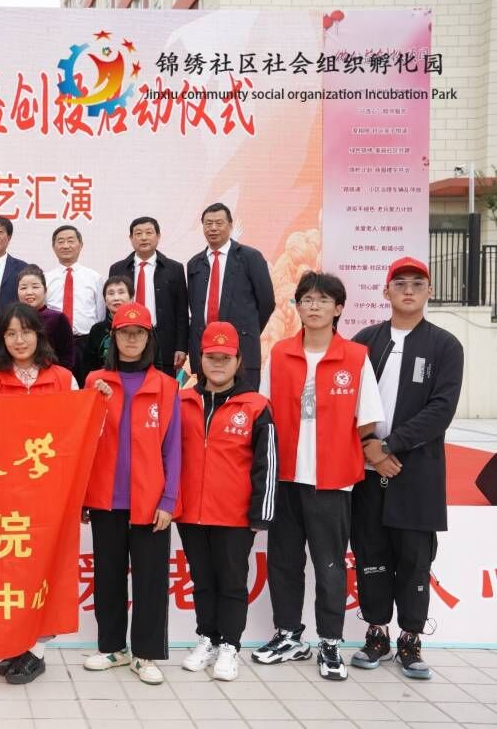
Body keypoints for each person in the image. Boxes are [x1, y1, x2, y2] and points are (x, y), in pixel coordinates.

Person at [251, 271, 383, 682]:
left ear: (338, 308)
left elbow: (368, 420)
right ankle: (289, 634)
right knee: (284, 561)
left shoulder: (355, 357)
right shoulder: (281, 354)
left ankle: (329, 641)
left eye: (323, 300)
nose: (313, 306)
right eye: (306, 299)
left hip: (333, 480)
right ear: (297, 306)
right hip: (286, 477)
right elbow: (265, 413)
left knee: (329, 565)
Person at [349, 257, 464, 680]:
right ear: (386, 291)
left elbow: (441, 410)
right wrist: (370, 449)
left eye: (417, 283)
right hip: (366, 468)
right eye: (400, 283)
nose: (409, 290)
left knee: (415, 558)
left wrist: (389, 446)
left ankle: (410, 639)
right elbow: (346, 402)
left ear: (429, 291)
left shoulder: (445, 345)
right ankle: (376, 634)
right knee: (370, 551)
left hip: (417, 471)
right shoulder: (365, 341)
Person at [82, 302, 181, 686]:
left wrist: (169, 500)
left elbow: (173, 449)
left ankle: (145, 653)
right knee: (107, 577)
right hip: (105, 498)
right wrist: (83, 497)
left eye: (139, 333)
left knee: (151, 580)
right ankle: (112, 647)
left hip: (150, 501)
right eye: (125, 333)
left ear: (148, 338)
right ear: (114, 338)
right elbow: (83, 442)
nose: (132, 339)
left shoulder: (166, 386)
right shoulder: (95, 381)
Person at [0, 303, 77, 685]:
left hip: (52, 493)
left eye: (26, 332)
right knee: (12, 569)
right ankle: (17, 642)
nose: (19, 340)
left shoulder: (64, 379)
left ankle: (37, 650)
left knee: (45, 570)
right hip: (6, 493)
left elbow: (84, 430)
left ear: (39, 334)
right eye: (10, 333)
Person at [177, 322, 276, 681]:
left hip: (235, 514)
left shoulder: (256, 406)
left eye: (225, 357)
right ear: (199, 360)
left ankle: (230, 646)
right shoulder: (182, 401)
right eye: (211, 357)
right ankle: (208, 638)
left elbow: (267, 463)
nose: (218, 363)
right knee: (202, 580)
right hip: (191, 512)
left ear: (238, 361)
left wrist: (261, 513)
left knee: (232, 582)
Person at [186, 203, 275, 390]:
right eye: (208, 223)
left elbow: (267, 302)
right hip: (206, 351)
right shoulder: (195, 263)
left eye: (219, 223)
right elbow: (195, 307)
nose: (213, 228)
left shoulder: (250, 257)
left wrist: (248, 330)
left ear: (231, 225)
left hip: (241, 348)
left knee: (243, 402)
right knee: (208, 403)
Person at [109, 217, 189, 378]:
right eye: (138, 233)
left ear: (158, 236)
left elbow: (181, 311)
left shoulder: (174, 268)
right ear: (131, 238)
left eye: (149, 232)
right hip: (129, 339)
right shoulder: (118, 268)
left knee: (163, 386)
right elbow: (111, 308)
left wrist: (181, 347)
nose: (144, 238)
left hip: (164, 341)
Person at [45, 225, 104, 383]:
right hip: (55, 343)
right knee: (58, 385)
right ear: (53, 247)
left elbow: (100, 314)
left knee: (86, 385)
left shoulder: (94, 277)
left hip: (85, 343)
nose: (66, 245)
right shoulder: (46, 278)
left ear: (81, 245)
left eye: (70, 241)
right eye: (60, 241)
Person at [17, 265, 75, 371]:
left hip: (51, 376)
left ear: (45, 290)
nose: (29, 292)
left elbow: (67, 358)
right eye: (23, 288)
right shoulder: (11, 319)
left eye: (35, 287)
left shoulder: (57, 318)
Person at [80, 276, 133, 382]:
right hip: (103, 384)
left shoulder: (143, 327)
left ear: (131, 298)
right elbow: (88, 367)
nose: (116, 298)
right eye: (111, 293)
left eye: (121, 292)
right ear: (105, 300)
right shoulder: (97, 330)